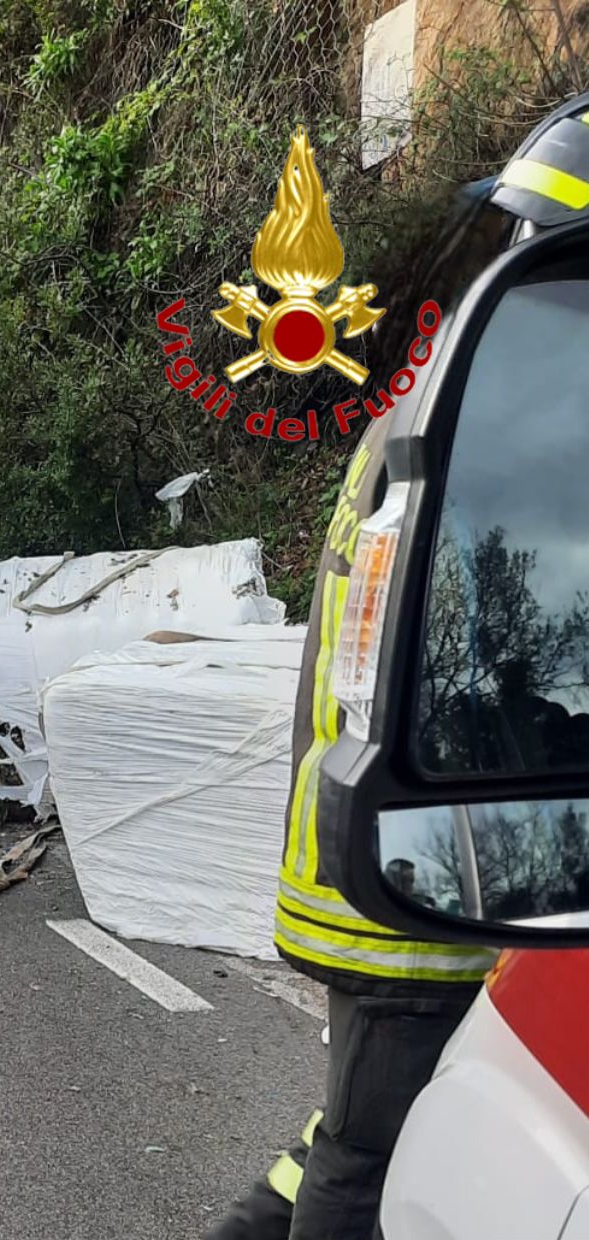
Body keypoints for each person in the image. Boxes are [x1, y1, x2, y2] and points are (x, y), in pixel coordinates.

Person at [206, 413, 497, 1240]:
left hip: (364, 854)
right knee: (366, 1154)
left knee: (359, 1129)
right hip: (419, 895)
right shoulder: (479, 423)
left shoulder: (405, 427)